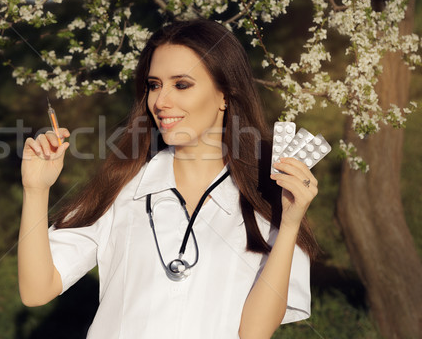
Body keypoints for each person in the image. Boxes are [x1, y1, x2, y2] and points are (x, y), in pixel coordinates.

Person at [18, 19, 319, 338]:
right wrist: (35, 190)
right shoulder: (122, 186)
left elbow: (254, 332)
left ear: (225, 95)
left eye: (182, 84)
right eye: (154, 84)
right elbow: (37, 290)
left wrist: (289, 224)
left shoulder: (271, 197)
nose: (160, 102)